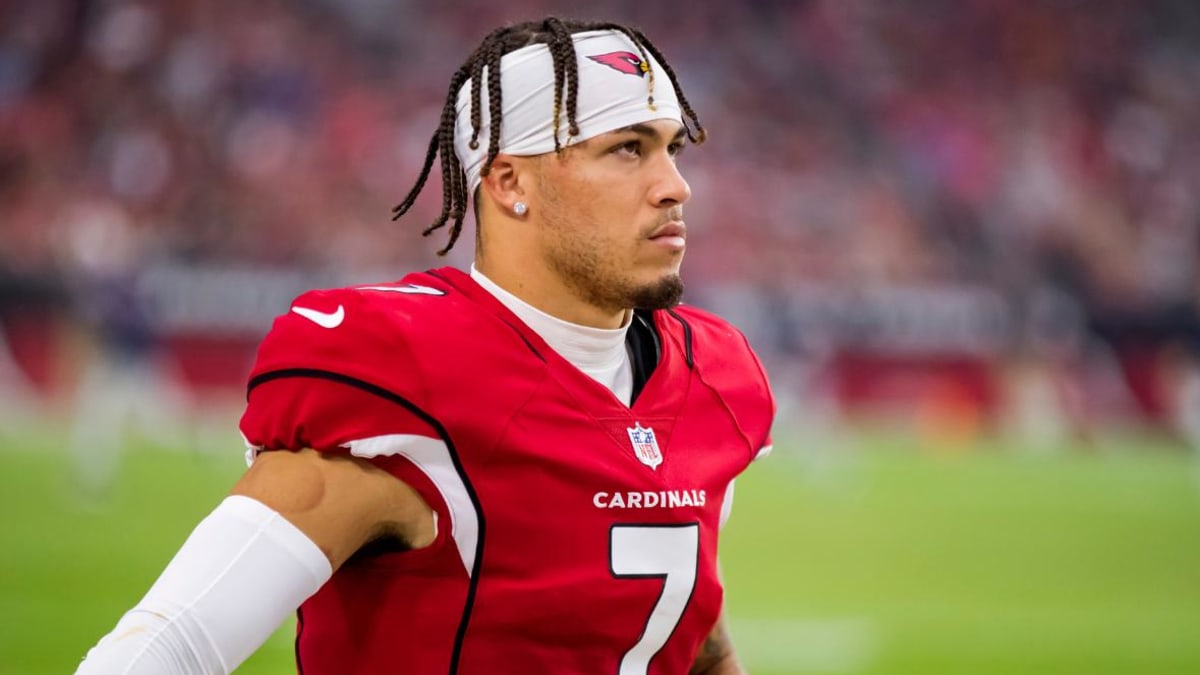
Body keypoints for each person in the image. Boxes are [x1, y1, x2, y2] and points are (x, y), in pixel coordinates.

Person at [76, 17, 774, 675]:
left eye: (671, 148)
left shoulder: (711, 374)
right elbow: (175, 640)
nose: (674, 187)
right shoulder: (409, 374)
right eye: (627, 148)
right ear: (509, 182)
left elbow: (690, 644)